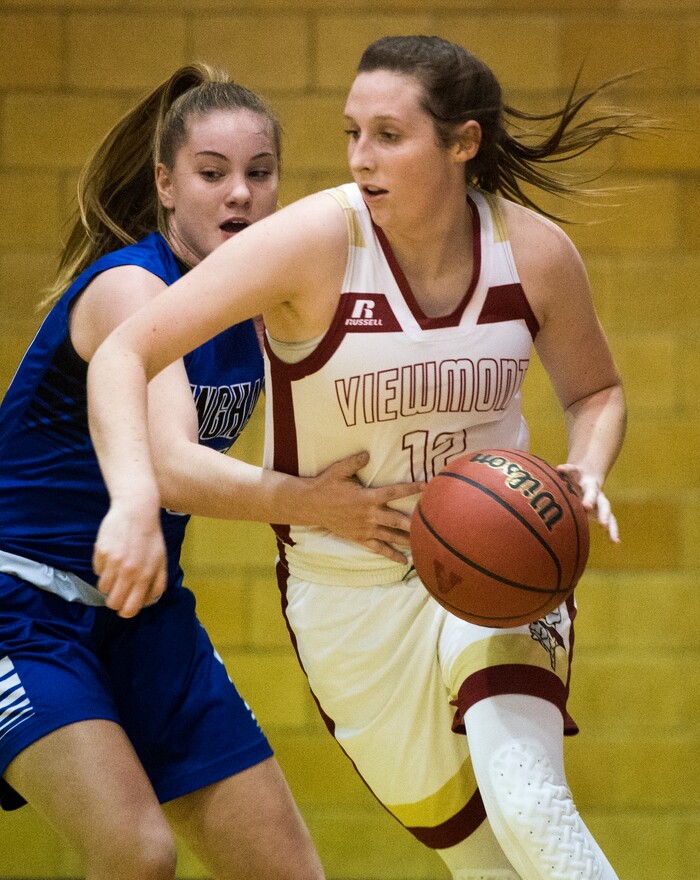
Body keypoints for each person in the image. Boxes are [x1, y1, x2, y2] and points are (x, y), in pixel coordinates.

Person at [86, 36, 651, 880]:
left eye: (388, 134)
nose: (361, 157)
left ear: (462, 142)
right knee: (490, 866)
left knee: (530, 802)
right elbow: (124, 352)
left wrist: (587, 468)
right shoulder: (314, 241)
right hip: (345, 593)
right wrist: (136, 499)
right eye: (353, 133)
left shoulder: (531, 253)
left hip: (500, 559)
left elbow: (595, 391)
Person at [0, 61, 423, 880]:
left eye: (259, 175)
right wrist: (319, 507)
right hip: (22, 605)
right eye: (212, 174)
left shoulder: (254, 308)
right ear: (165, 184)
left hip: (142, 612)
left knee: (287, 871)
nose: (240, 195)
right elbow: (173, 469)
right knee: (135, 854)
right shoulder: (132, 289)